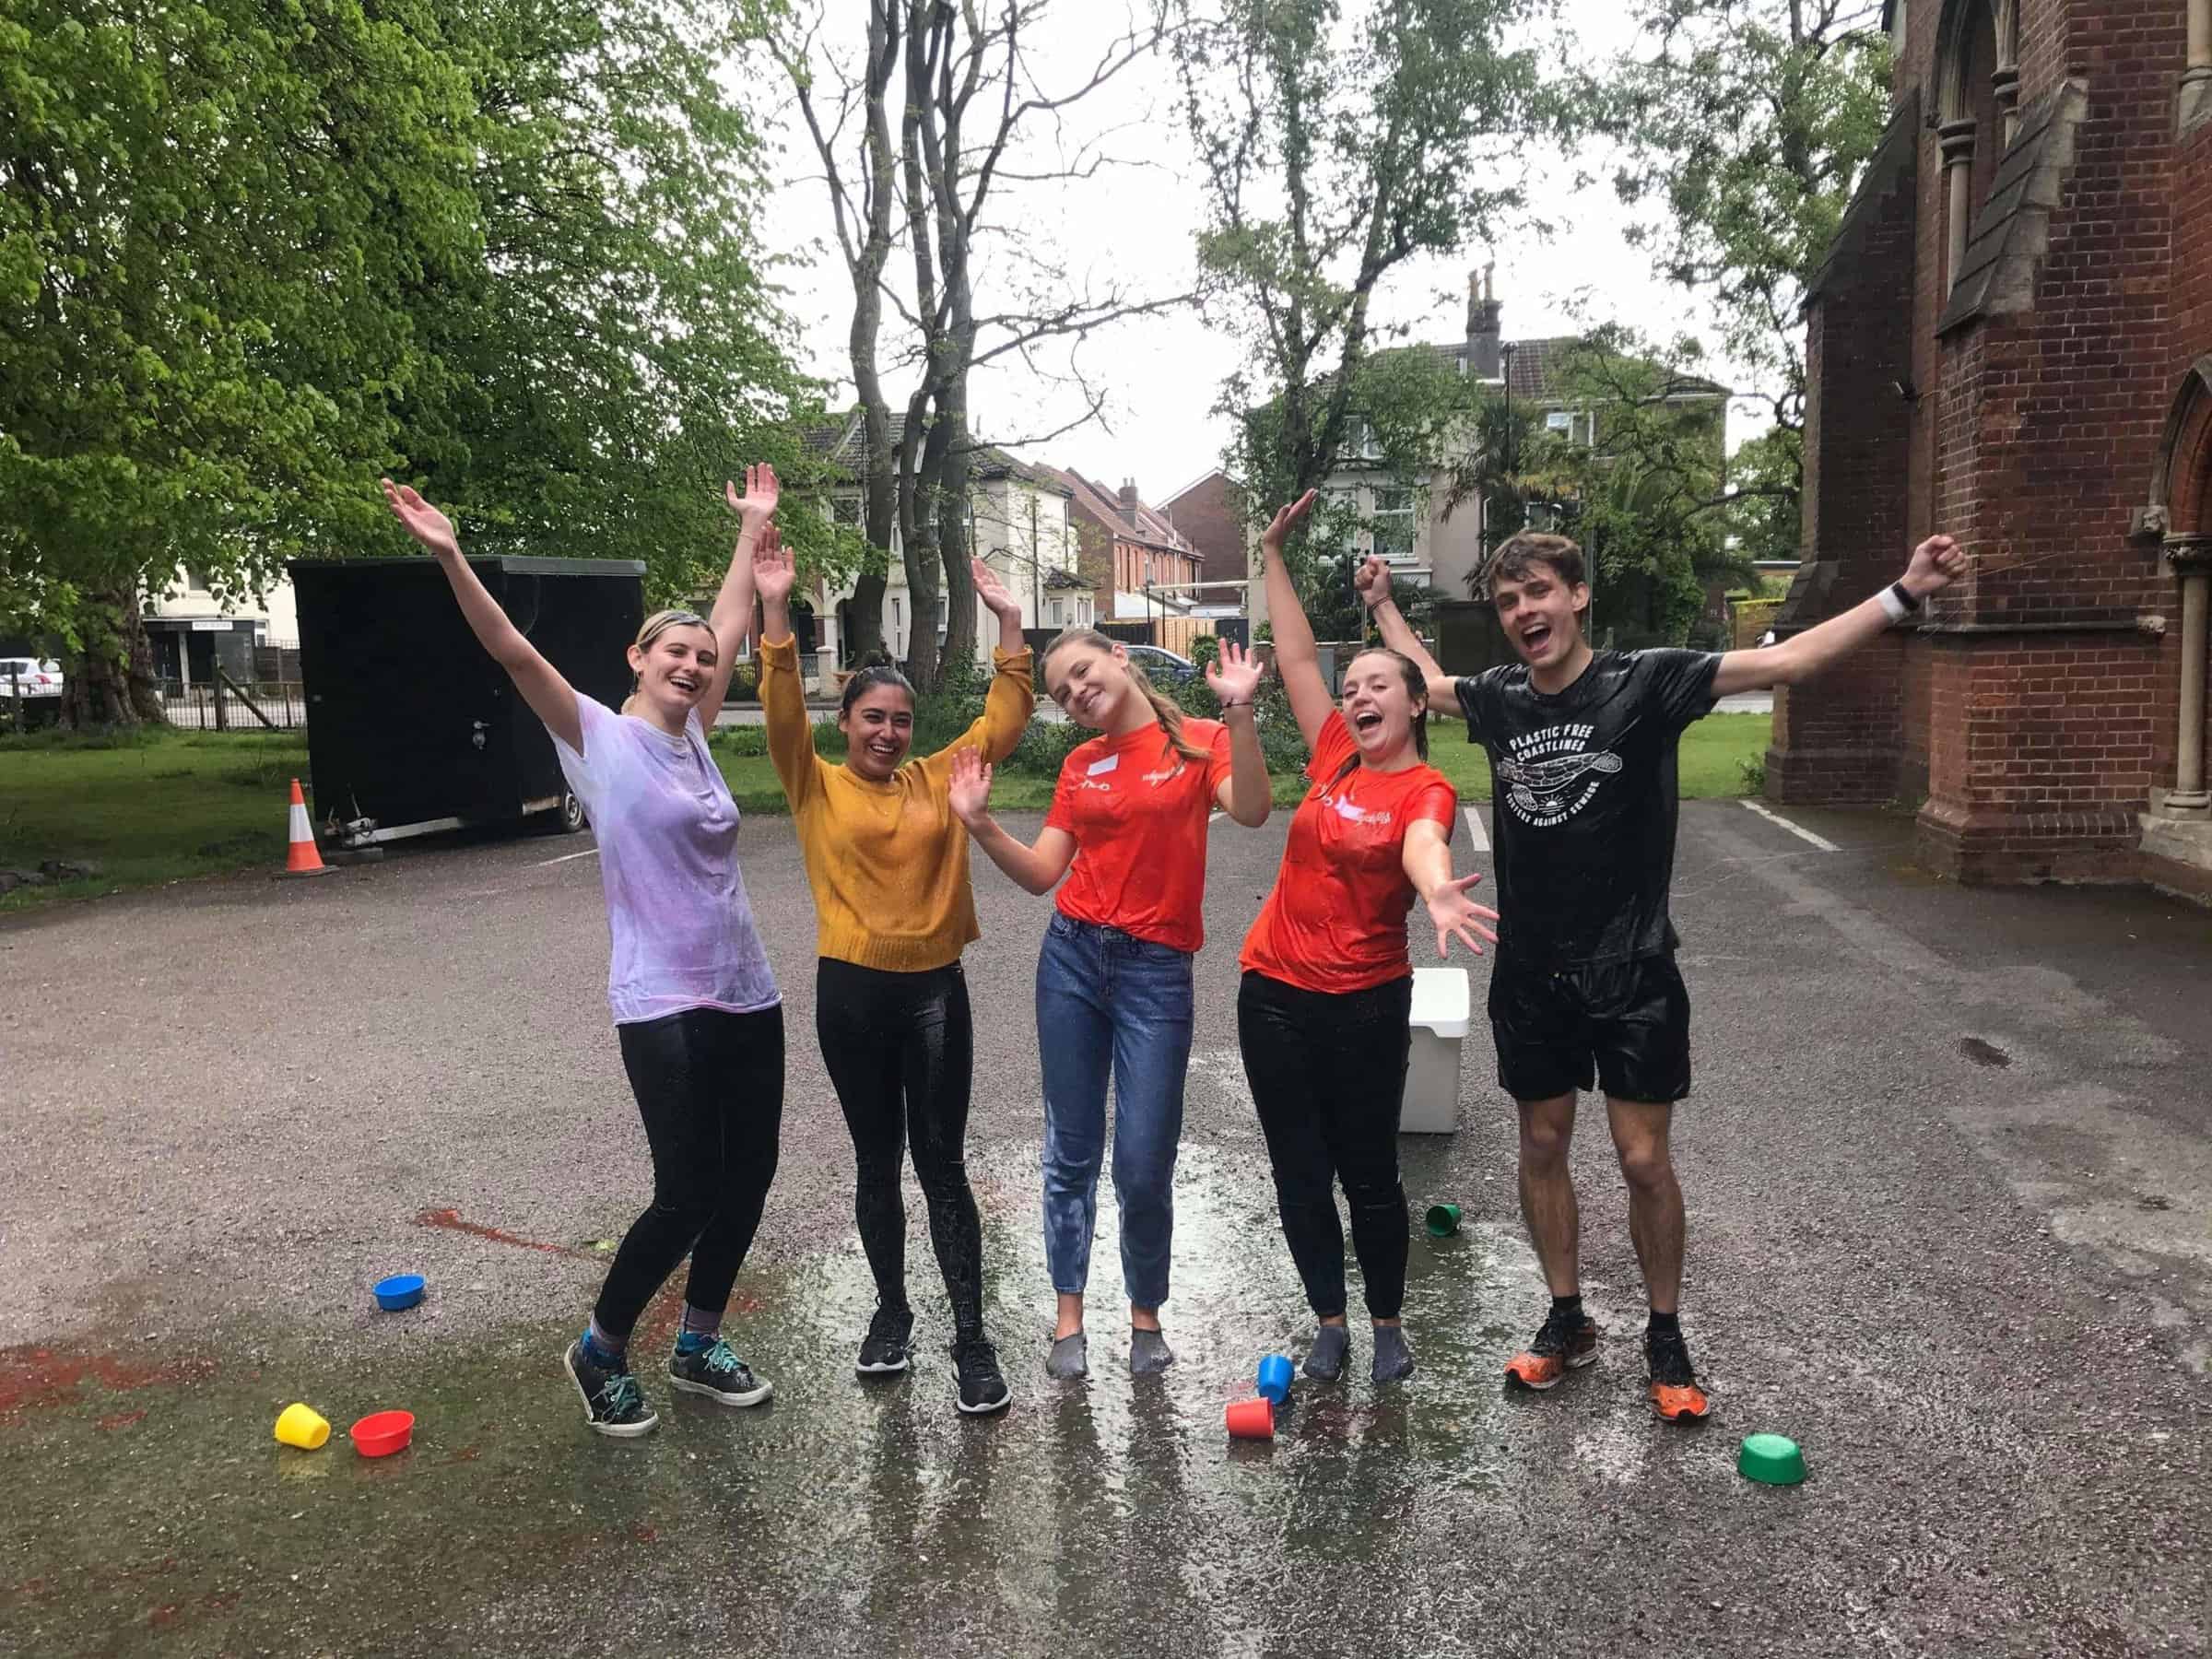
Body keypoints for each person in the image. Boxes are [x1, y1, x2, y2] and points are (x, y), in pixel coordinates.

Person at [1360, 526, 1967, 1419]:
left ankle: (1665, 1330)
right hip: (1532, 969)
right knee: (1540, 1145)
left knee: (1643, 1159)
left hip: (1632, 965)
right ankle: (1566, 1318)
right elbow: (1419, 682)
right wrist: (1380, 606)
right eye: (1509, 600)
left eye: (1539, 592)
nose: (1526, 611)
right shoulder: (1498, 699)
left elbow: (1789, 662)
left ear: (1576, 597)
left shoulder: (1647, 682)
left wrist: (1904, 590)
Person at [382, 467, 788, 1438]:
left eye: (701, 656)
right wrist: (450, 554)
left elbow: (731, 616)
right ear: (635, 660)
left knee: (749, 1179)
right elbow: (512, 650)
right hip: (662, 1001)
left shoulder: (694, 740)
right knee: (685, 1192)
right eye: (672, 653)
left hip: (748, 991)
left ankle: (697, 1343)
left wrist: (751, 530)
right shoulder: (597, 738)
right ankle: (601, 1347)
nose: (692, 664)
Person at [754, 532, 1034, 1416]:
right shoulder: (814, 782)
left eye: (900, 719)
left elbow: (1005, 721)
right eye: (872, 717)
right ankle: (889, 1314)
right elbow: (781, 707)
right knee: (876, 1164)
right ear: (846, 724)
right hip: (851, 994)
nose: (886, 731)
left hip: (933, 996)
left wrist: (1012, 626)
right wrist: (775, 610)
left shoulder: (937, 780)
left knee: (941, 1164)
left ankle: (972, 1340)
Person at [948, 630, 1272, 1380]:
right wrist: (980, 822)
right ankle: (1069, 1318)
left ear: (1121, 661)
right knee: (1070, 1148)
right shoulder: (1079, 764)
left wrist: (1245, 713)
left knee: (1143, 1158)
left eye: (1083, 673)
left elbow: (1253, 809)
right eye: (1062, 692)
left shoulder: (1199, 743)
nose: (1076, 693)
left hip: (1155, 974)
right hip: (1071, 959)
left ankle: (1144, 1314)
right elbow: (1041, 875)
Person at [1236, 492, 1496, 1385]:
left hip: (1363, 1004)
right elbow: (1300, 654)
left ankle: (1388, 1320)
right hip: (1272, 996)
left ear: (1416, 704)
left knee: (1370, 1173)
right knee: (1298, 1174)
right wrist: (1272, 551)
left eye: (1376, 685)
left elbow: (1426, 847)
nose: (1356, 696)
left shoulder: (1422, 790)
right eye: (1352, 691)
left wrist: (1437, 895)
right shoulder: (1335, 756)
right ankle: (1329, 1320)